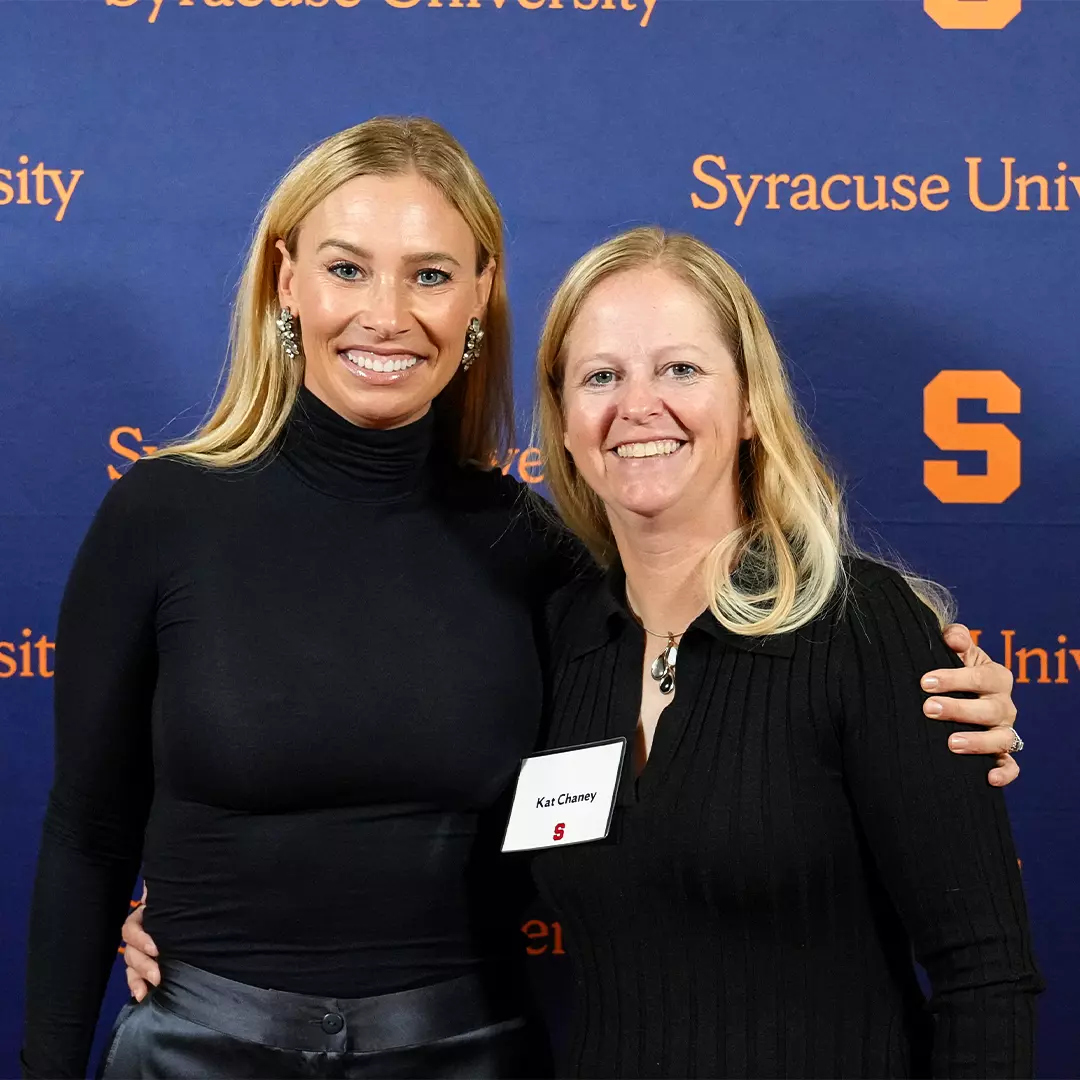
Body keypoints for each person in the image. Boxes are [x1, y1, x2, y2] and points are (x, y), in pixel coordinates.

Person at [31, 116, 1019, 1080]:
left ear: (478, 297)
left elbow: (730, 710)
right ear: (286, 281)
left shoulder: (532, 559)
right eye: (345, 267)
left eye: (428, 273)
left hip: (465, 1052)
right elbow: (88, 833)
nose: (385, 312)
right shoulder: (162, 516)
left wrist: (951, 697)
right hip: (202, 1047)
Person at [522, 227, 1041, 1077]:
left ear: (753, 406)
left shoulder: (866, 630)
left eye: (680, 368)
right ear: (569, 424)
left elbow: (986, 975)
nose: (638, 404)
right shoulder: (553, 643)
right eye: (601, 376)